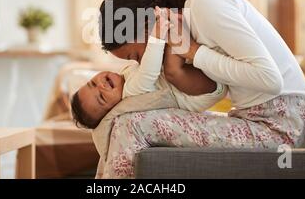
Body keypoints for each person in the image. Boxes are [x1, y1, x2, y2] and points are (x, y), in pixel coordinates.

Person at [96, 0, 305, 178]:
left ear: (147, 23)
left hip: (286, 129)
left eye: (135, 56)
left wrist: (194, 52)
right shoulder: (191, 19)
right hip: (265, 122)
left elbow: (271, 79)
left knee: (132, 125)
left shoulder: (204, 3)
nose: (140, 64)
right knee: (125, 122)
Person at [71, 7, 227, 129]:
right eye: (102, 97)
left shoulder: (125, 78)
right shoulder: (130, 92)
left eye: (92, 83)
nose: (101, 85)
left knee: (171, 61)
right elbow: (149, 71)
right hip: (199, 92)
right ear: (112, 109)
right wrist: (157, 36)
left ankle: (173, 21)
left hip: (193, 82)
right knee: (171, 68)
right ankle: (173, 21)